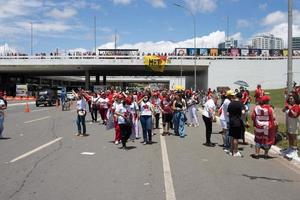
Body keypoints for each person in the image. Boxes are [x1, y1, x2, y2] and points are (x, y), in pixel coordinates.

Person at [281, 93, 300, 159]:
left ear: (295, 99)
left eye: (292, 98)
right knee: (289, 135)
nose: (290, 99)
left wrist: (290, 109)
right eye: (290, 98)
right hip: (289, 122)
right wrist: (286, 107)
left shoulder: (296, 106)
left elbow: (295, 115)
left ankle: (294, 151)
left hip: (294, 123)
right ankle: (290, 148)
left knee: (293, 136)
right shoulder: (290, 106)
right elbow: (283, 110)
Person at [227, 92, 245, 157]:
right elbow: (243, 112)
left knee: (232, 136)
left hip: (231, 121)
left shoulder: (230, 103)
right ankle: (236, 151)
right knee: (236, 138)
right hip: (237, 122)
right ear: (241, 97)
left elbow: (227, 114)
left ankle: (231, 150)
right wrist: (242, 119)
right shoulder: (241, 104)